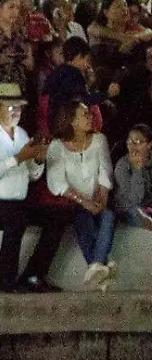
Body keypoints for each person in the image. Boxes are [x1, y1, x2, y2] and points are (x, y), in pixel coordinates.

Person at [0, 80, 60, 293]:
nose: (16, 111)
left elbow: (30, 175)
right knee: (15, 220)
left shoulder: (21, 135)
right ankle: (6, 280)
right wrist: (19, 157)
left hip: (17, 200)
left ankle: (33, 275)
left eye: (18, 107)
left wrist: (38, 159)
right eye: (11, 107)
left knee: (57, 217)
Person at [45, 100, 115, 289]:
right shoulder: (57, 147)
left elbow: (105, 173)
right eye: (85, 115)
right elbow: (57, 183)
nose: (90, 117)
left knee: (108, 216)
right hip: (73, 204)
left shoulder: (99, 140)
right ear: (72, 121)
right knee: (82, 218)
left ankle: (96, 265)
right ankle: (101, 266)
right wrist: (84, 202)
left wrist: (101, 200)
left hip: (97, 199)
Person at [112, 124, 152, 232]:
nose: (132, 146)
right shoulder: (122, 165)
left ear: (149, 145)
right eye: (129, 142)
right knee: (144, 219)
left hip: (147, 203)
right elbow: (135, 199)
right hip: (128, 206)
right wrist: (137, 168)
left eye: (137, 142)